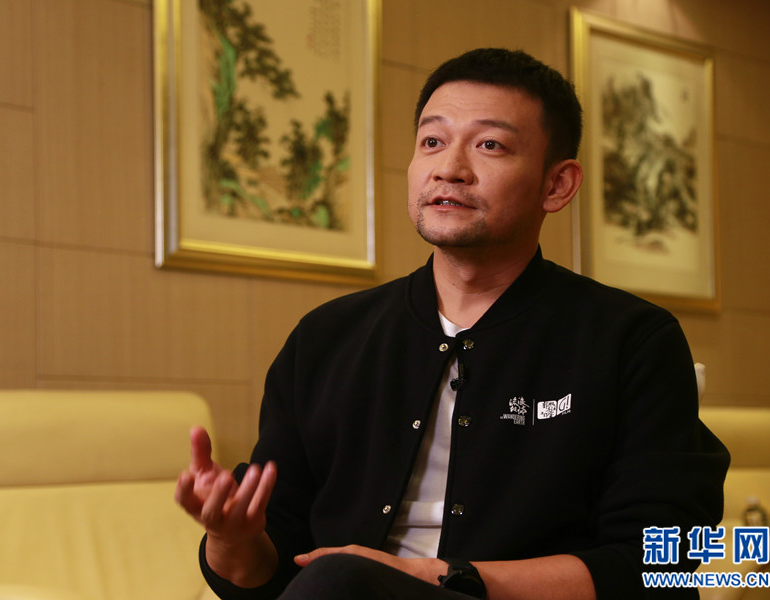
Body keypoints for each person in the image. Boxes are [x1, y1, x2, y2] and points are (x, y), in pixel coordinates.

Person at [175, 48, 729, 600]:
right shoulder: (325, 338)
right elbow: (267, 573)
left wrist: (433, 576)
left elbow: (660, 563)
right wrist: (231, 538)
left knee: (340, 578)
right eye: (432, 142)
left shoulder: (631, 340)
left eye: (489, 145)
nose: (449, 169)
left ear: (556, 184)